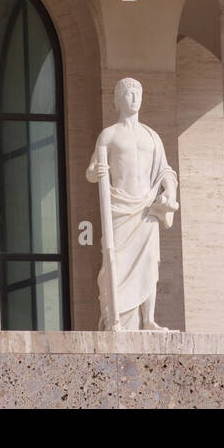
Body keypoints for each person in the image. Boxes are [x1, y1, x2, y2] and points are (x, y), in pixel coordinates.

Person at [86, 78, 179, 331]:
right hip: (120, 208)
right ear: (117, 100)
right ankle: (112, 318)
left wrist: (169, 191)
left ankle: (148, 320)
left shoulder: (152, 137)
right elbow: (92, 170)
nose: (134, 98)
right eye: (128, 94)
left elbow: (166, 172)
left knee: (149, 262)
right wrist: (97, 171)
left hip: (147, 207)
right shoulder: (109, 134)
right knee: (114, 260)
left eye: (138, 93)